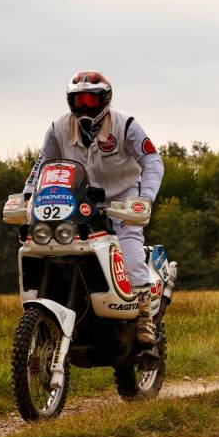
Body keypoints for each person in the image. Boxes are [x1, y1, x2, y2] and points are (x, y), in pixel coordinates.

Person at [22, 70, 164, 352]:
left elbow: (152, 160)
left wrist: (145, 198)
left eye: (91, 100)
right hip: (79, 198)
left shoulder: (125, 125)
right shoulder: (58, 127)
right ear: (70, 101)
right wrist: (29, 196)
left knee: (129, 247)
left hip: (122, 197)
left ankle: (144, 316)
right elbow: (42, 164)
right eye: (79, 101)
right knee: (52, 245)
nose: (85, 108)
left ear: (105, 100)